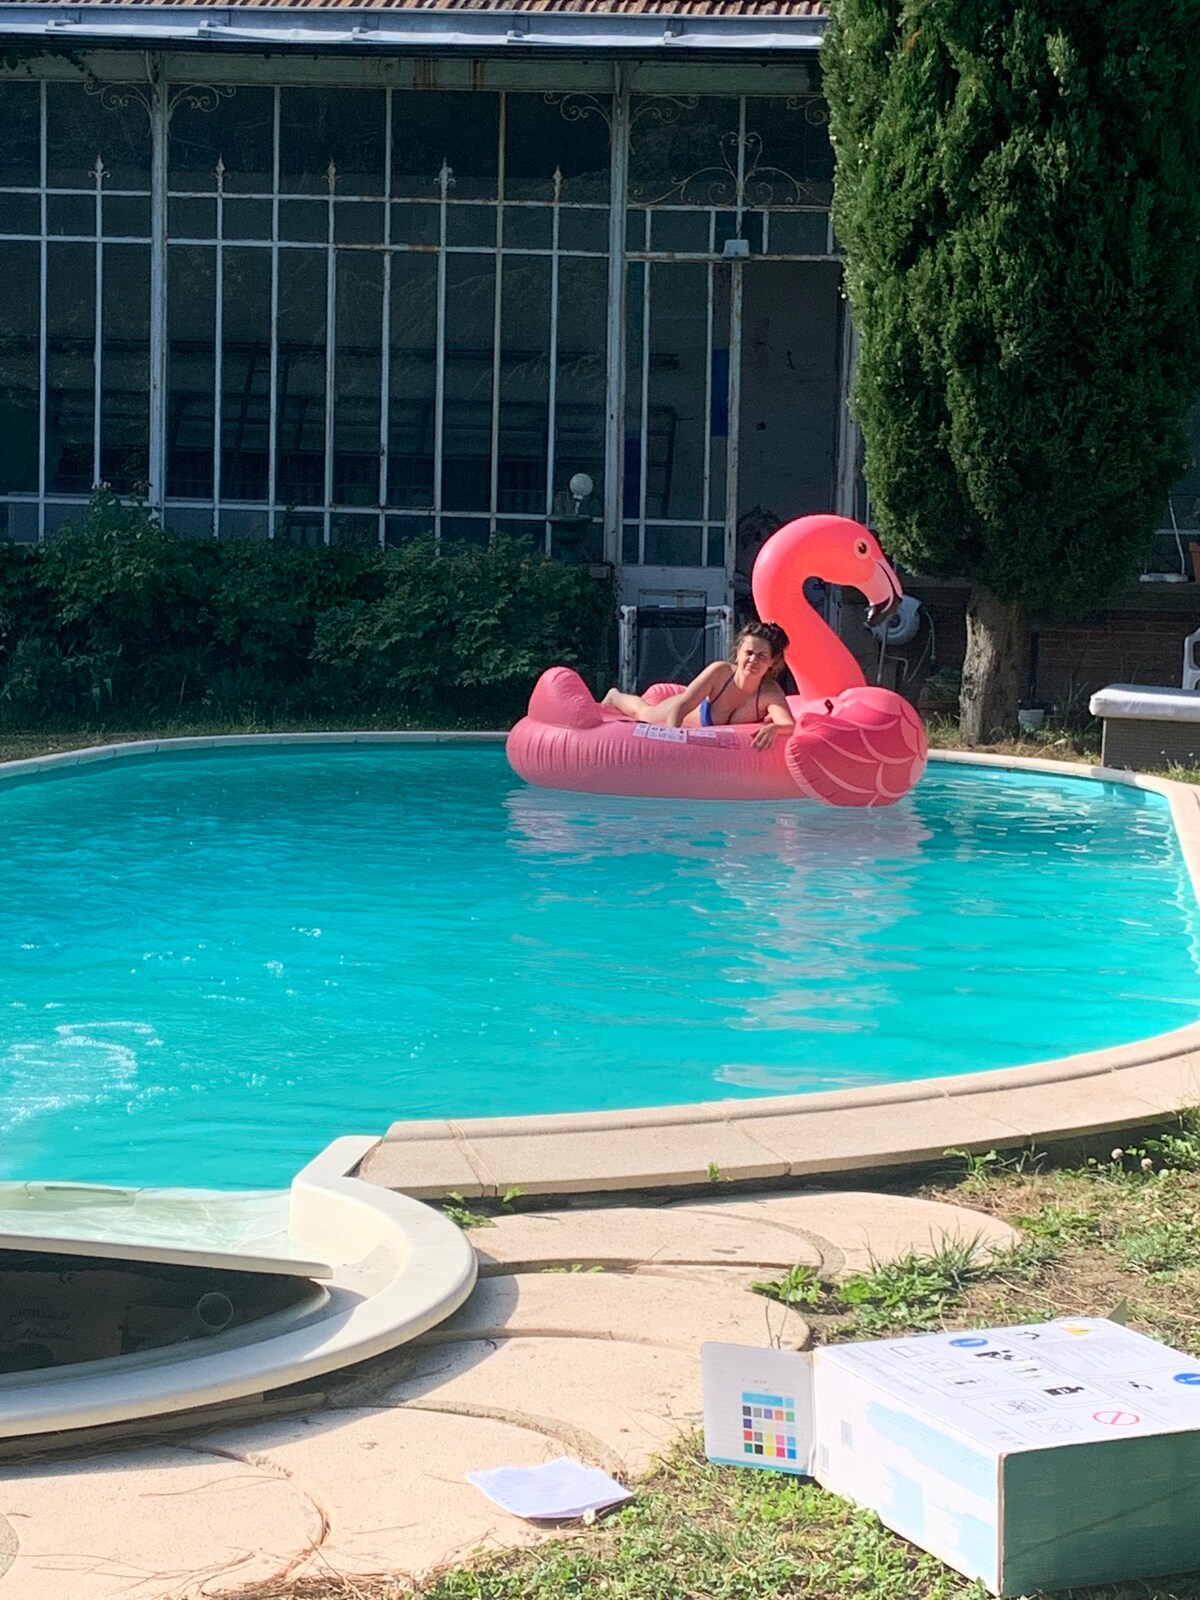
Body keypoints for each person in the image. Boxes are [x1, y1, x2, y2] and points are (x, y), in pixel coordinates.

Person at [602, 621, 795, 752]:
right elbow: (682, 706)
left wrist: (774, 728)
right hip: (682, 708)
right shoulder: (720, 672)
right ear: (738, 653)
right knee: (643, 713)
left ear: (772, 661)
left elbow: (788, 725)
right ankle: (615, 695)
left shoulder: (769, 692)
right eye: (749, 653)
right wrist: (671, 740)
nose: (753, 660)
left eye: (762, 656)